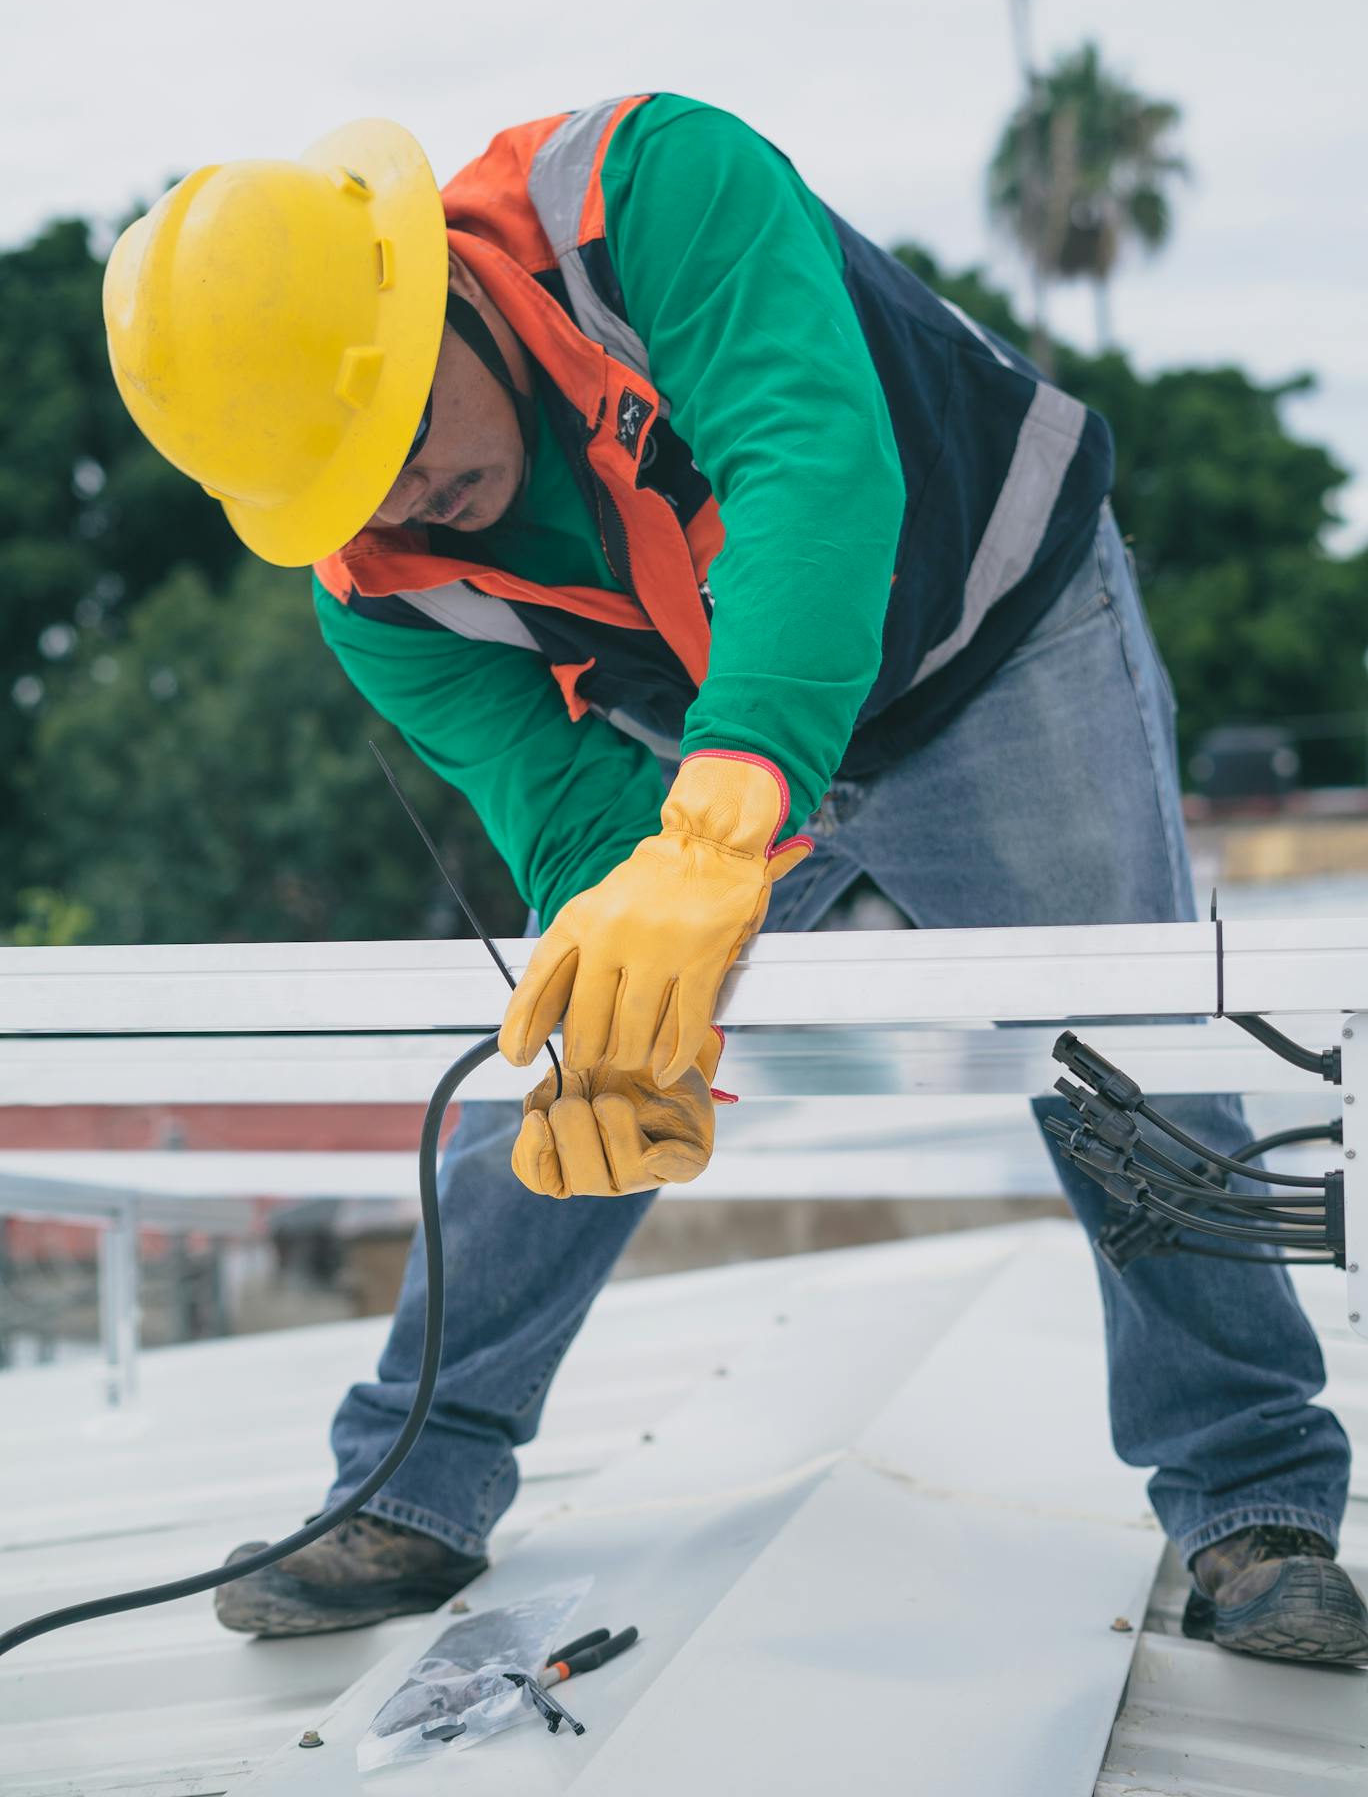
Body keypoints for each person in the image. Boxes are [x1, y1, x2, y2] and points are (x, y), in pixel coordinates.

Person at [104, 94, 1367, 1663]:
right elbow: (570, 830)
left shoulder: (646, 193)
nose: (400, 506)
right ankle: (408, 1490)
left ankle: (1254, 1501)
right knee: (574, 1047)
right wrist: (637, 993)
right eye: (350, 489)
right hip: (716, 735)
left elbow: (809, 468)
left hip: (987, 639)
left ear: (428, 289)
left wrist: (720, 829)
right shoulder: (380, 598)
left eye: (403, 440)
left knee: (1129, 1058)